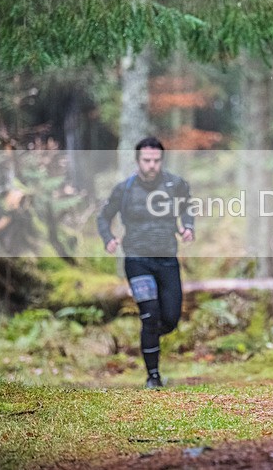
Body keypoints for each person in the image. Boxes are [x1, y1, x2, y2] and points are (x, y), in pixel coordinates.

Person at [97, 137, 194, 388]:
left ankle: (148, 337)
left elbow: (187, 207)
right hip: (137, 260)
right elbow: (103, 217)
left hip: (167, 260)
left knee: (170, 319)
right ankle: (153, 376)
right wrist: (108, 238)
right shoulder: (124, 189)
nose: (152, 165)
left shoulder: (175, 185)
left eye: (156, 160)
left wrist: (188, 227)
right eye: (147, 160)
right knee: (150, 316)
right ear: (138, 161)